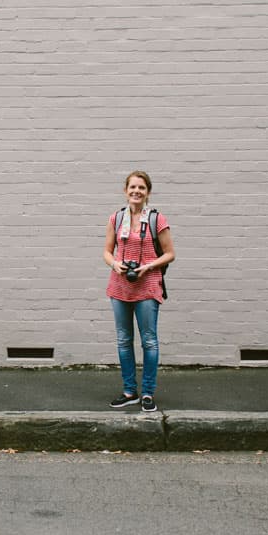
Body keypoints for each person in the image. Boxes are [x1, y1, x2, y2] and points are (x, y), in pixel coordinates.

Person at [103, 171, 175, 412]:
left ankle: (147, 393)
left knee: (149, 341)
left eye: (141, 188)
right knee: (124, 340)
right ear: (125, 191)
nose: (136, 191)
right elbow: (106, 251)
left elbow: (170, 253)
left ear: (148, 193)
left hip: (147, 285)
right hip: (119, 285)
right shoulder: (116, 218)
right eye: (132, 187)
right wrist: (115, 264)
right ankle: (129, 391)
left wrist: (149, 266)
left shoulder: (156, 219)